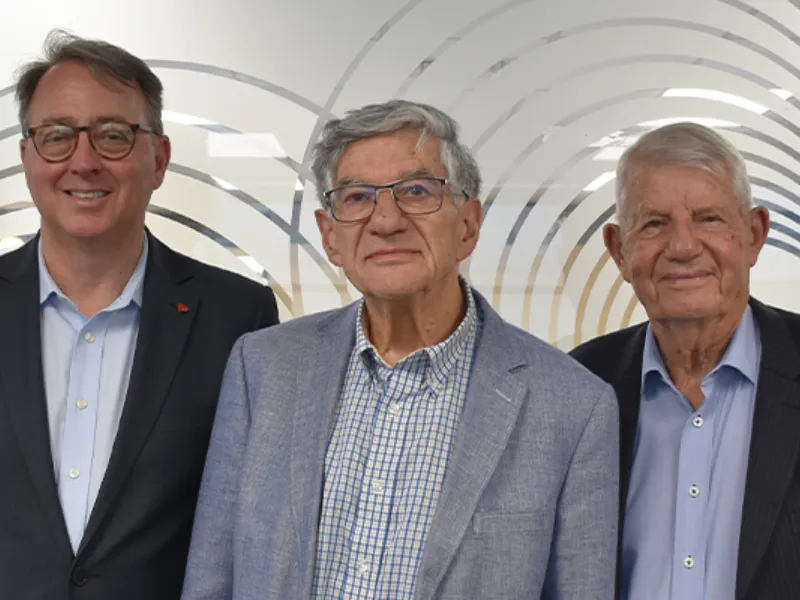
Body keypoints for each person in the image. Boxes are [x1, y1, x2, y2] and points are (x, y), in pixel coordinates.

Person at [182, 99, 619, 600]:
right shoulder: (262, 368)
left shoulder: (572, 406)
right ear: (330, 237)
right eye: (356, 197)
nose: (385, 220)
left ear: (468, 225)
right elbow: (211, 579)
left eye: (416, 191)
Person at [0, 30, 279, 600]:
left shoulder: (238, 318)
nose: (83, 162)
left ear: (159, 158)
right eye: (57, 137)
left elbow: (255, 522)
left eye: (113, 136)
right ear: (27, 157)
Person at [570, 122, 800, 600]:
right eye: (654, 223)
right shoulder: (579, 385)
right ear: (619, 250)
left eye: (709, 219)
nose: (682, 246)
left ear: (754, 234)